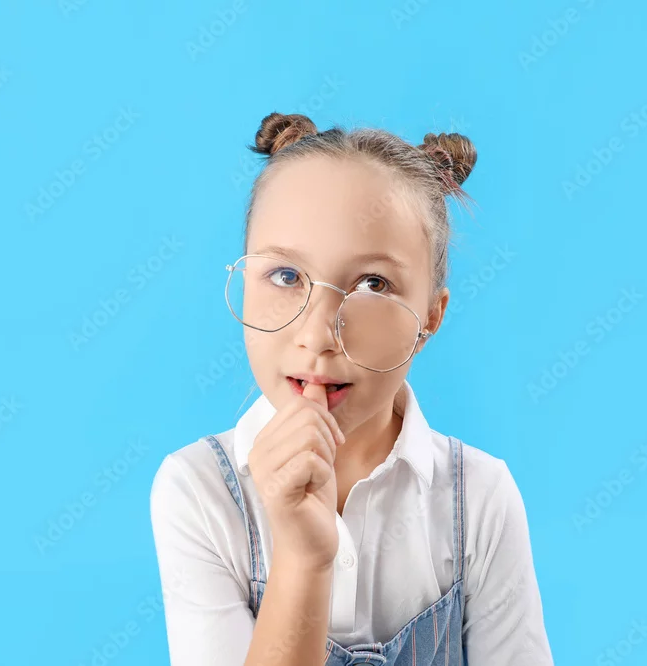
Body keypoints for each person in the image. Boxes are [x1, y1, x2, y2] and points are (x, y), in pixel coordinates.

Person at [149, 111, 554, 665]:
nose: (317, 335)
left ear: (430, 318)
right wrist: (303, 559)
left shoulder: (478, 499)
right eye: (285, 276)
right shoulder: (201, 491)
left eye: (372, 284)